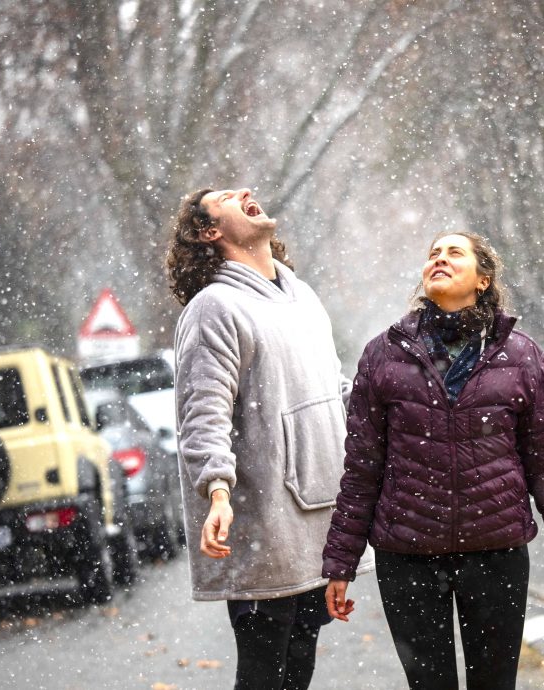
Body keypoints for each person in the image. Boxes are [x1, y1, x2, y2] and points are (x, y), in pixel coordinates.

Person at [321, 231, 544, 690]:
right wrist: (341, 563)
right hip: (407, 556)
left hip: (495, 553)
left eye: (455, 252)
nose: (440, 259)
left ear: (483, 279)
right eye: (433, 253)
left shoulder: (521, 355)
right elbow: (361, 470)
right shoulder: (383, 355)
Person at [167, 187, 372, 690]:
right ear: (209, 231)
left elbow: (334, 390)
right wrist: (216, 489)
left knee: (298, 667)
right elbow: (204, 411)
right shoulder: (213, 307)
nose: (246, 193)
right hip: (265, 529)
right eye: (226, 198)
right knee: (264, 674)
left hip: (319, 521)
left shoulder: (301, 294)